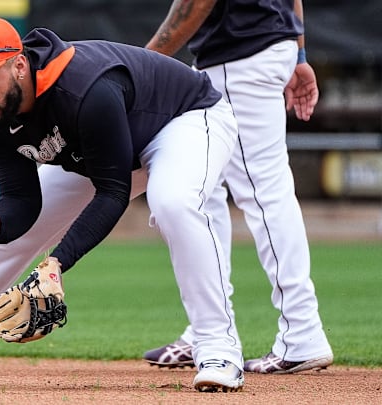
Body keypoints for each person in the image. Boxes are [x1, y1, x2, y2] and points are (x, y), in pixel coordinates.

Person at [0, 16, 244, 392]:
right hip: (103, 148)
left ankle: (217, 347)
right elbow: (22, 199)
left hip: (186, 120)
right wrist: (0, 225)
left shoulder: (84, 89)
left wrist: (57, 262)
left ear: (18, 65)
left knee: (173, 203)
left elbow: (112, 191)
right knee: (0, 241)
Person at [141, 0, 334, 373]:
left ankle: (303, 332)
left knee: (263, 193)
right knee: (205, 189)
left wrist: (142, 64)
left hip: (239, 56)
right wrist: (298, 52)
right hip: (255, 50)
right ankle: (207, 328)